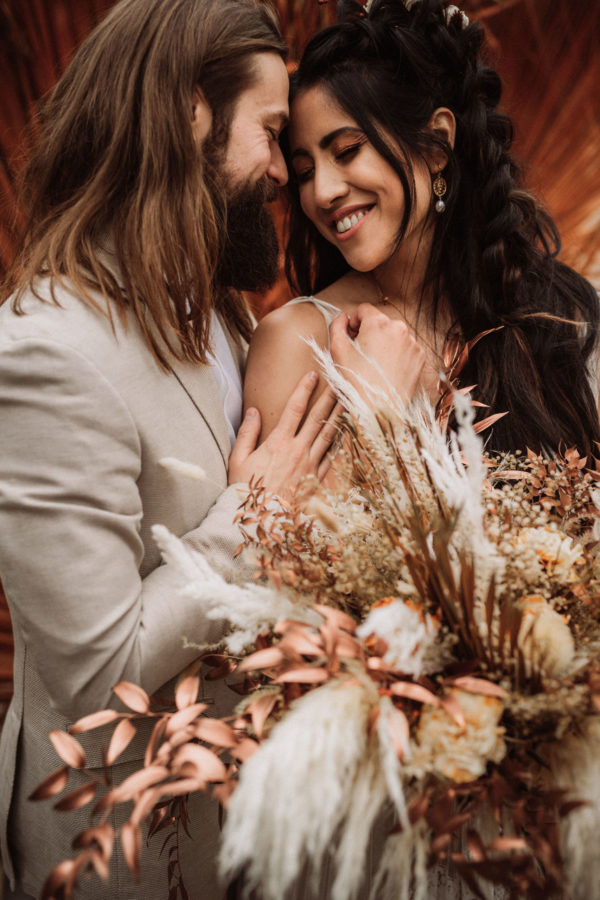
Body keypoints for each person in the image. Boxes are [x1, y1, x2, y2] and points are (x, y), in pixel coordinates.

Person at [0, 0, 346, 897]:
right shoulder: (48, 352)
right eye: (270, 132)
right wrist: (252, 517)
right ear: (193, 111)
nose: (284, 172)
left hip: (245, 825)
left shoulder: (217, 307)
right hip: (125, 851)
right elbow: (98, 677)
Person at [244, 0, 600, 460]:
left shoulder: (560, 314)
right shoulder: (296, 342)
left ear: (435, 145)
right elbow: (275, 508)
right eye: (305, 172)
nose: (323, 192)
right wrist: (378, 412)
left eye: (348, 151)